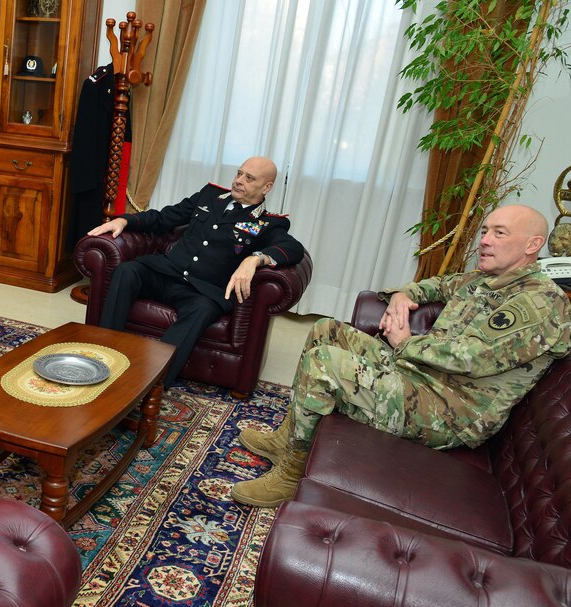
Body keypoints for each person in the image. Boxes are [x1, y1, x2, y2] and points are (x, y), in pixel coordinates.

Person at [232, 204, 571, 508]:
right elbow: (436, 286)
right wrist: (401, 296)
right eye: (485, 231)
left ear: (532, 245)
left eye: (499, 233)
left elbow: (472, 358)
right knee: (326, 329)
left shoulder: (538, 303)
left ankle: (292, 474)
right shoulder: (484, 279)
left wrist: (405, 343)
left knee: (326, 365)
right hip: (422, 378)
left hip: (452, 410)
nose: (484, 240)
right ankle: (288, 437)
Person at [88, 157, 306, 388]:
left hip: (202, 292)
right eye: (239, 173)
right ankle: (101, 355)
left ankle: (150, 383)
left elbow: (294, 249)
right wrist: (125, 221)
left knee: (202, 310)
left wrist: (255, 258)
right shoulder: (209, 196)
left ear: (267, 187)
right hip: (165, 272)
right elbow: (164, 217)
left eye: (249, 178)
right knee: (127, 271)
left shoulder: (268, 223)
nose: (239, 181)